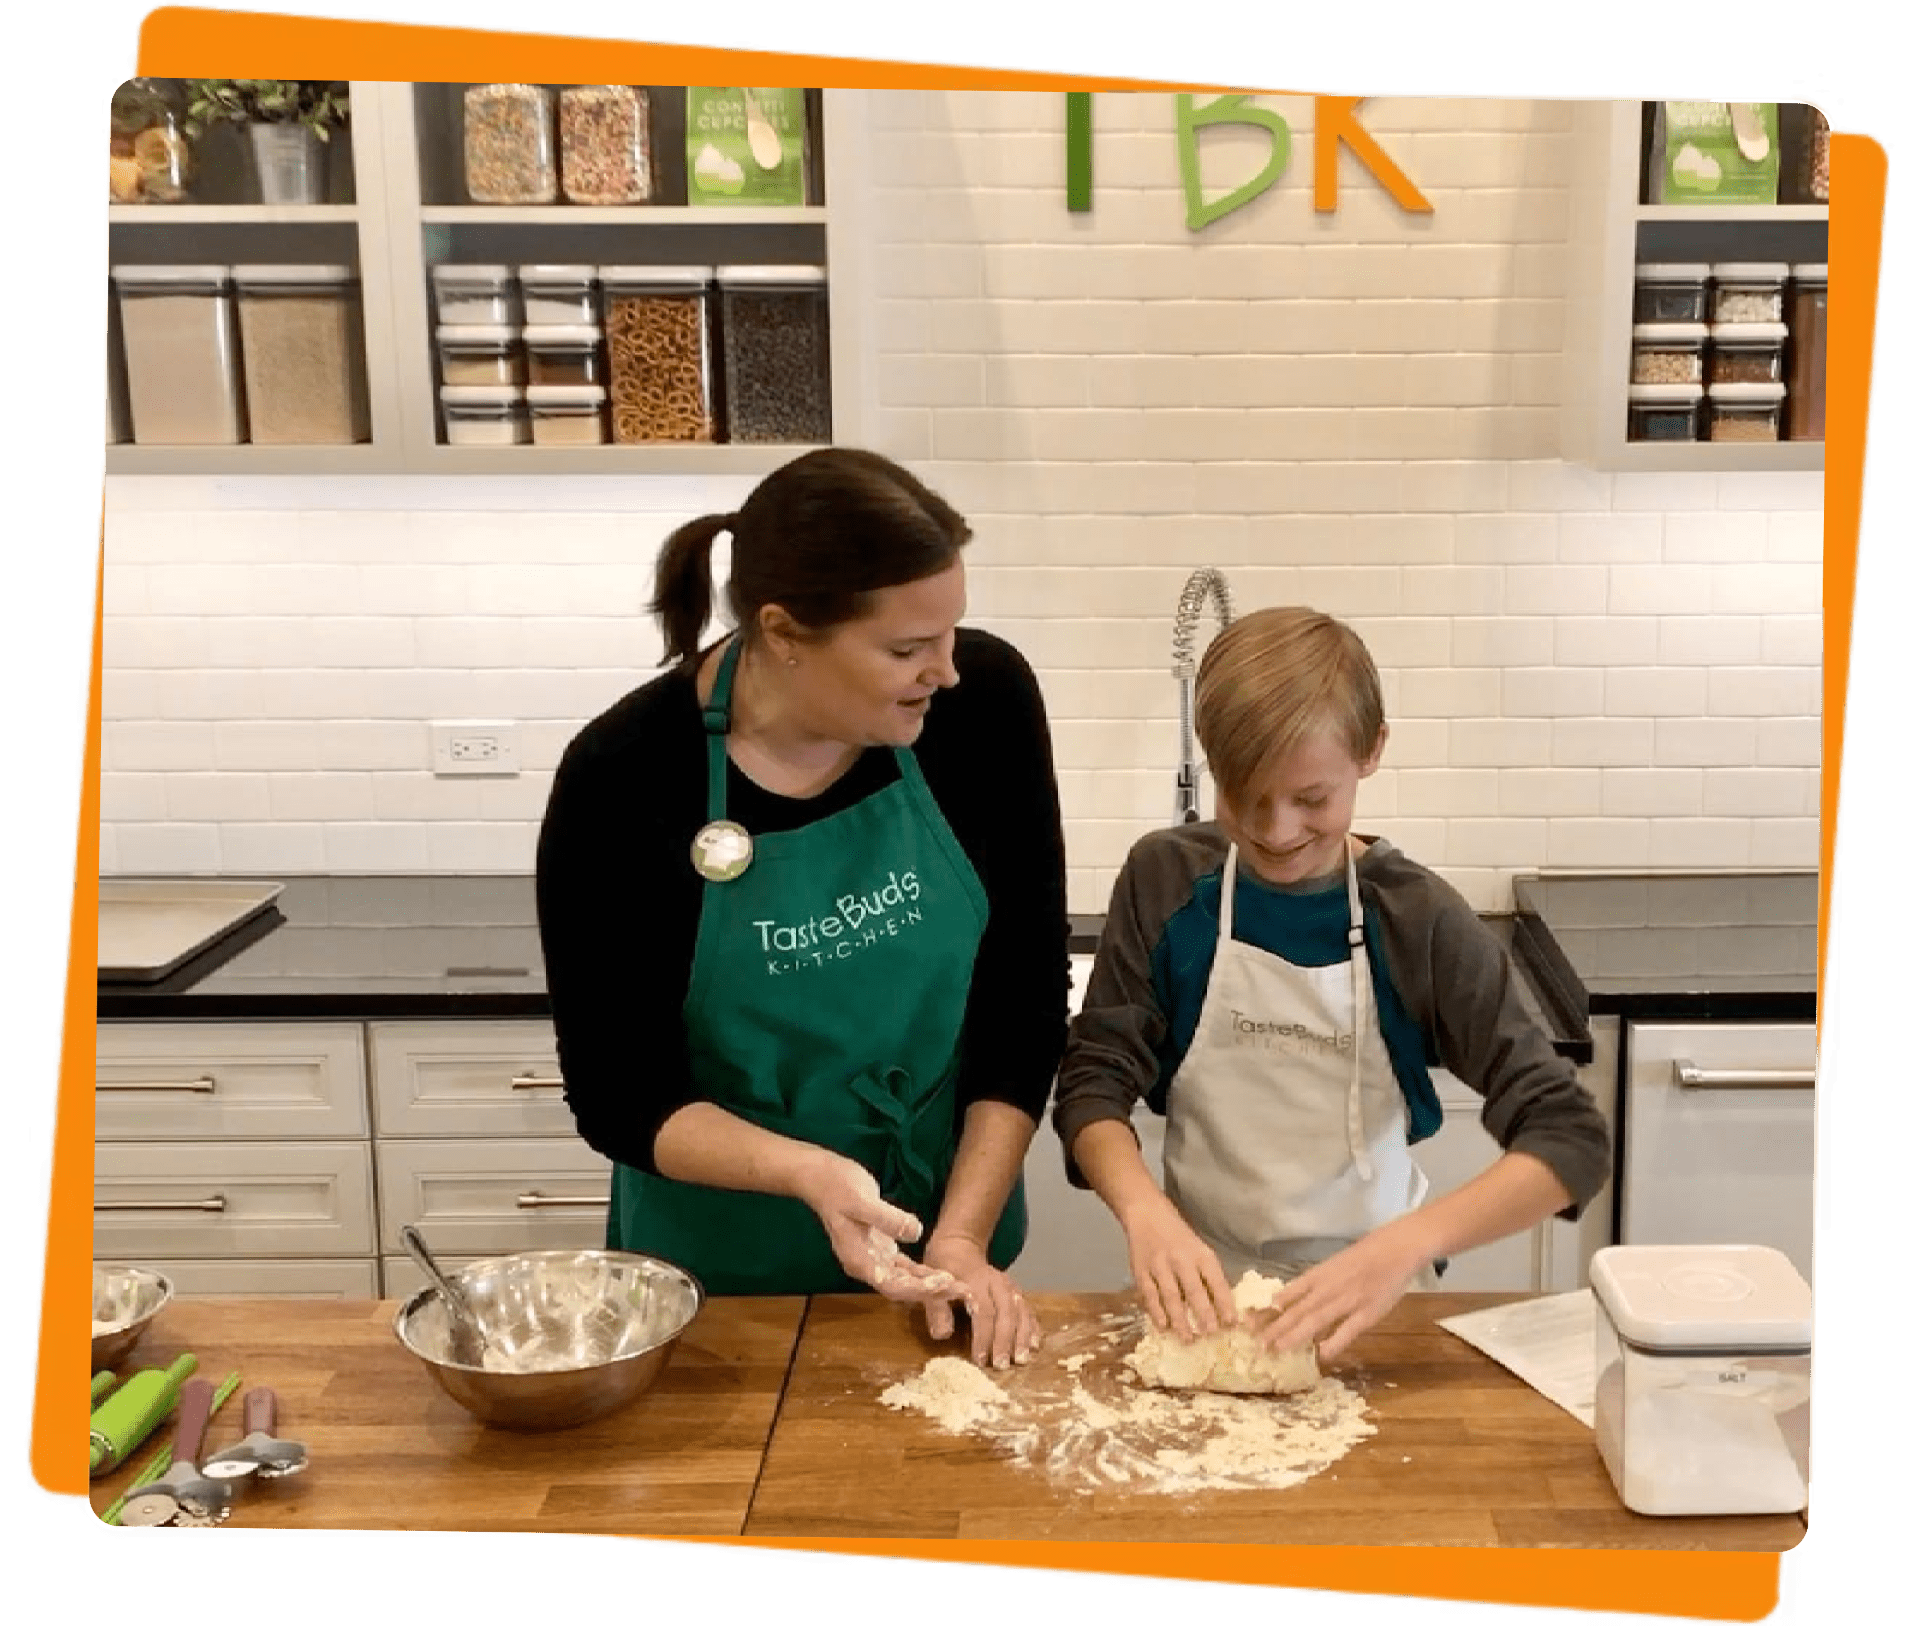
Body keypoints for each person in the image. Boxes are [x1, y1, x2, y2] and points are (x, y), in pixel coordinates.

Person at [536, 448, 1070, 1369]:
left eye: (949, 634)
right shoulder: (622, 781)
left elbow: (1021, 998)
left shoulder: (981, 712)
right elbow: (620, 1094)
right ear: (783, 631)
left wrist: (959, 1241)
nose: (944, 672)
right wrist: (810, 1175)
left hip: (946, 1251)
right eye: (906, 649)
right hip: (717, 1287)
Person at [1051, 606, 1610, 1363]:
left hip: (1373, 1307)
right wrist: (1145, 1211)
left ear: (1371, 751)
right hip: (1202, 1294)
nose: (1275, 829)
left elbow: (1569, 1140)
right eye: (1243, 796)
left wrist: (1408, 1245)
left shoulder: (1420, 921)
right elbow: (1094, 1080)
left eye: (1311, 799)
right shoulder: (1166, 880)